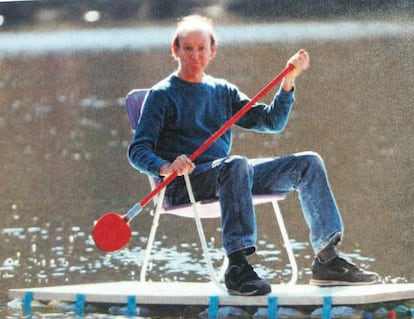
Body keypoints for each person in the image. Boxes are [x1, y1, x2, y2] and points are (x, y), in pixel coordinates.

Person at [128, 15, 380, 295]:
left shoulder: (222, 90)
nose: (195, 55)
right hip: (184, 183)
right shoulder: (161, 95)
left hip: (228, 176)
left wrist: (288, 82)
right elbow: (138, 151)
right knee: (236, 165)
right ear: (175, 50)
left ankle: (327, 260)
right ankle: (237, 266)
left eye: (202, 48)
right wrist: (165, 166)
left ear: (213, 50)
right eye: (188, 48)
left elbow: (272, 122)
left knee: (307, 163)